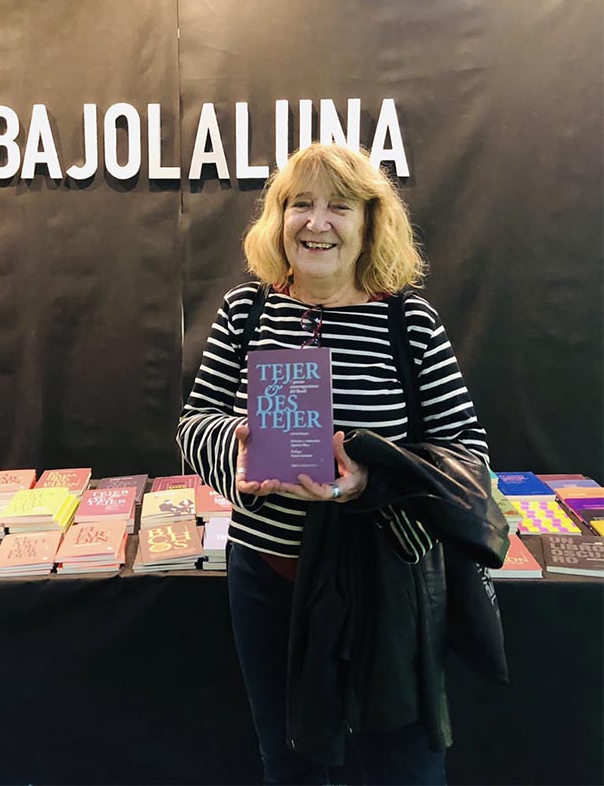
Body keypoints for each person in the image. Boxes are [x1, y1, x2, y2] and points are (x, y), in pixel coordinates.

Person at [176, 142, 500, 785]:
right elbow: (193, 426)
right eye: (300, 204)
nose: (316, 223)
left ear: (370, 222)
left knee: (404, 765)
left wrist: (368, 481)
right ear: (278, 218)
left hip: (385, 582)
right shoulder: (246, 312)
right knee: (289, 762)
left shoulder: (408, 321)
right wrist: (237, 446)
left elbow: (468, 454)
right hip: (267, 578)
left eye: (339, 207)